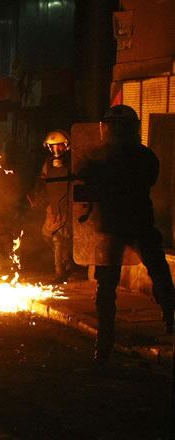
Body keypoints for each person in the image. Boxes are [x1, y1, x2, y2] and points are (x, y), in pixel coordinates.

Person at [88, 104, 175, 365]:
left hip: (126, 225)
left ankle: (105, 345)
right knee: (154, 273)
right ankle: (105, 344)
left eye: (117, 128)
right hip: (129, 226)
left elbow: (92, 182)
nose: (112, 133)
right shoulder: (141, 156)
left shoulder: (106, 159)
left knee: (112, 286)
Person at [33, 130, 73, 283]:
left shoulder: (72, 161)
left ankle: (60, 272)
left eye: (59, 147)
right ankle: (66, 263)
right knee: (47, 234)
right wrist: (37, 196)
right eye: (52, 147)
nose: (56, 150)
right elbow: (43, 181)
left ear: (66, 146)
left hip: (68, 206)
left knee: (59, 238)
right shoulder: (48, 164)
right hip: (53, 206)